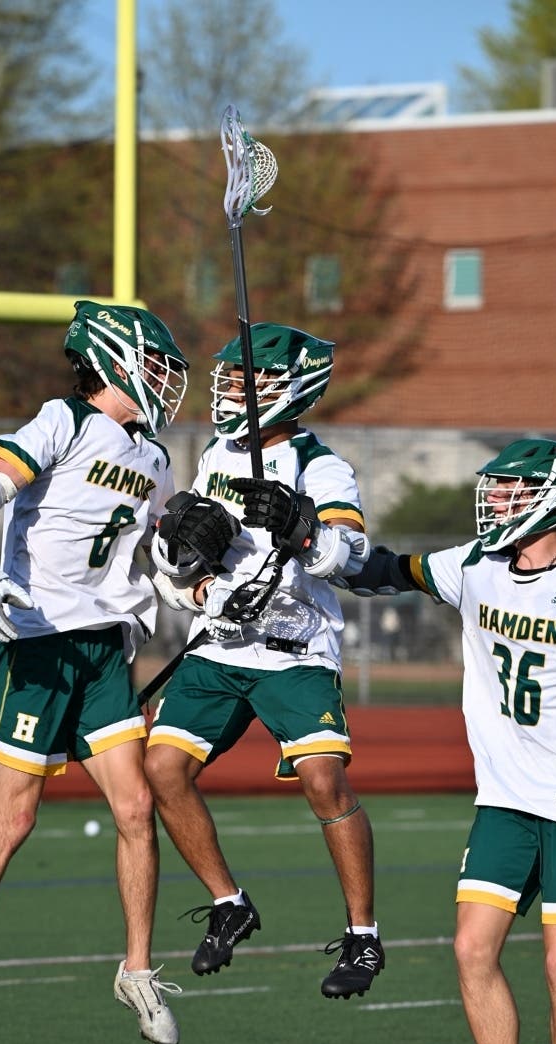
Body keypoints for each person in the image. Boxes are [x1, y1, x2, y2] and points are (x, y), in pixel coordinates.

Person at [0, 300, 192, 1044]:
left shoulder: (156, 458)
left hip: (106, 647)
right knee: (15, 819)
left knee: (136, 807)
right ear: (113, 360)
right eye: (156, 359)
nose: (168, 376)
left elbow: (162, 555)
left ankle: (136, 969)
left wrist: (198, 584)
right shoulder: (63, 421)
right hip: (36, 642)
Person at [335, 438, 556, 1044]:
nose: (492, 505)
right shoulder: (474, 565)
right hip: (505, 799)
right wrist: (309, 536)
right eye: (493, 492)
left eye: (508, 493)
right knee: (472, 949)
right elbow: (387, 571)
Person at [142, 322, 386, 1000]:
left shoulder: (322, 464)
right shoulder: (218, 453)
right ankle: (229, 902)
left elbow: (350, 554)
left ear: (294, 387)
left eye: (252, 381)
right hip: (221, 644)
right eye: (235, 379)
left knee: (323, 782)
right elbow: (181, 558)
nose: (235, 391)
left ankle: (363, 937)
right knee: (162, 769)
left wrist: (304, 528)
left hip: (296, 647)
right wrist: (185, 577)